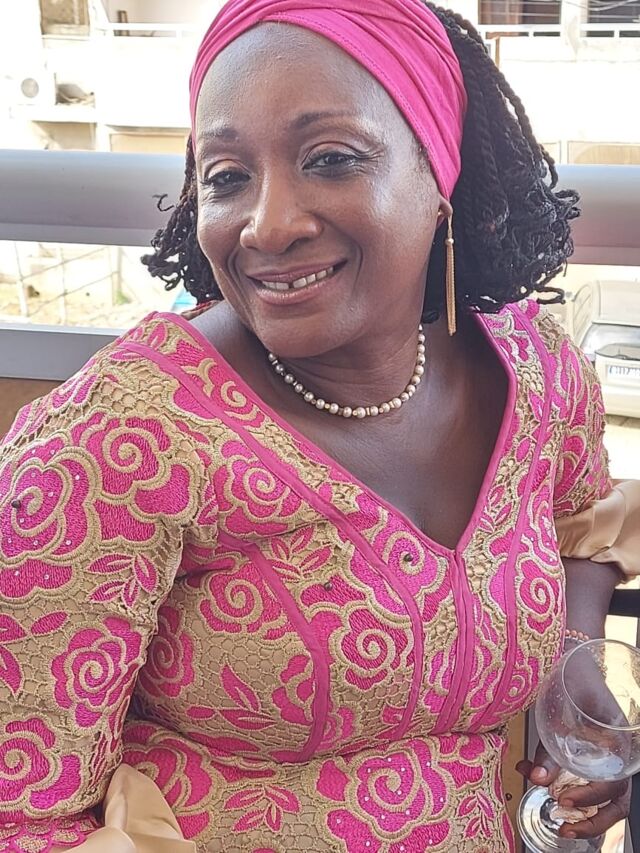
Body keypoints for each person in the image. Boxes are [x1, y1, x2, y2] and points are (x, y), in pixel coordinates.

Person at [1, 1, 639, 851]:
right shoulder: (121, 439)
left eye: (331, 159)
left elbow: (578, 526)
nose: (268, 223)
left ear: (439, 173)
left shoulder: (538, 372)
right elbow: (22, 810)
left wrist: (574, 667)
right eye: (227, 176)